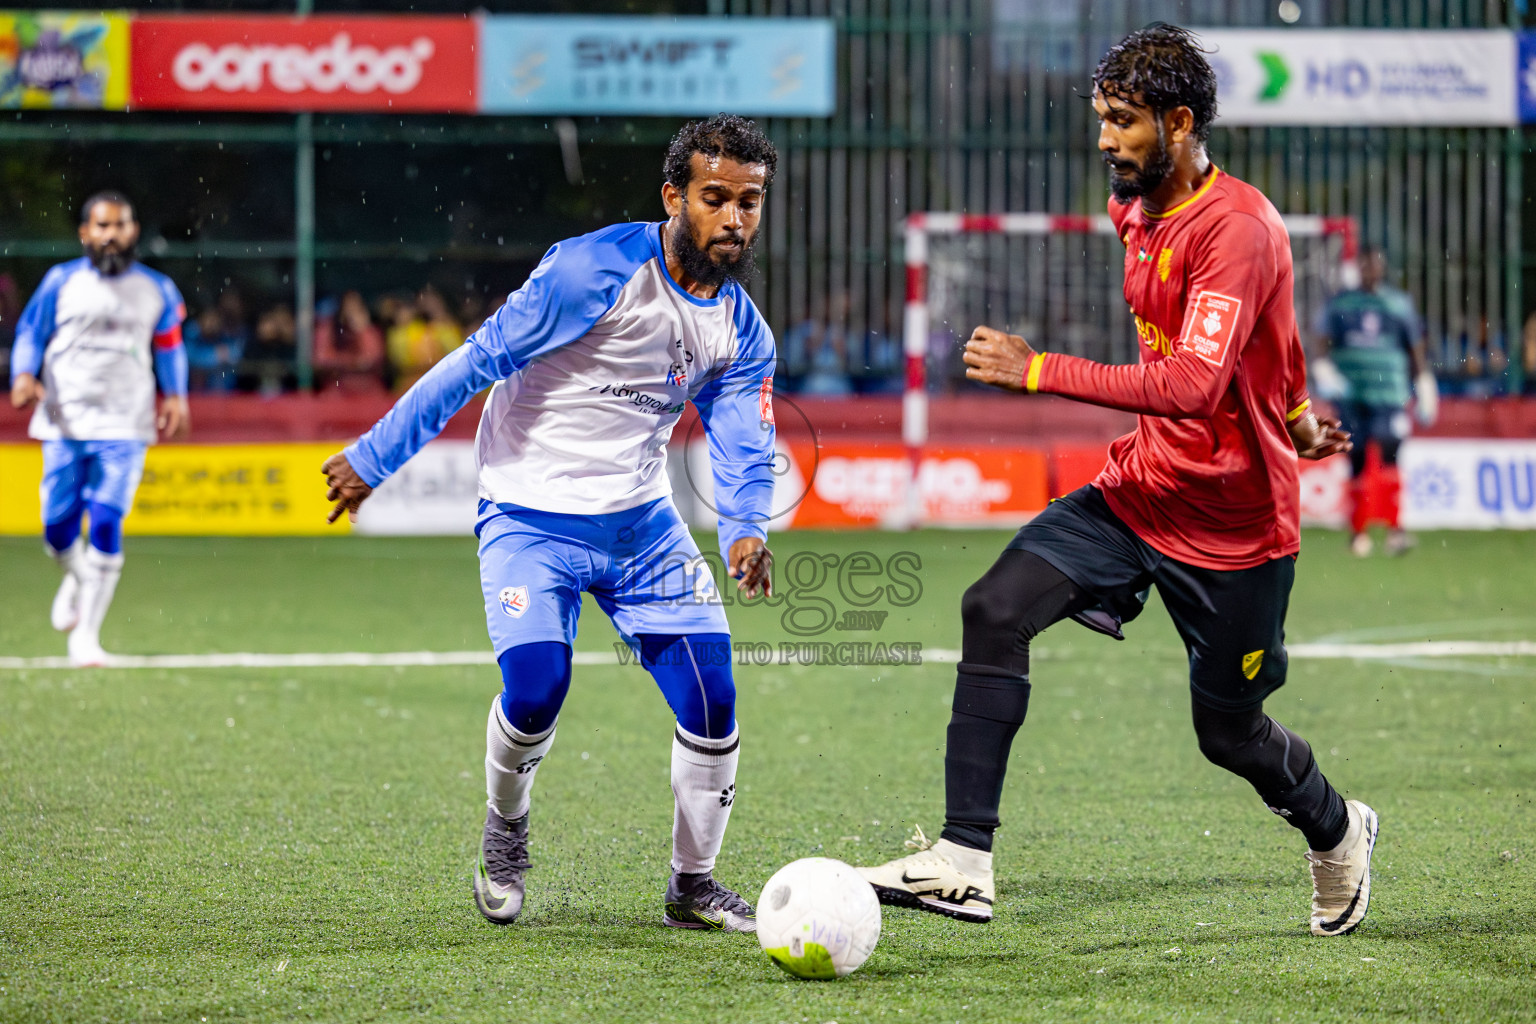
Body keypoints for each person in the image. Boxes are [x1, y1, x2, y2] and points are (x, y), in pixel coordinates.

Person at [858, 25, 1380, 939]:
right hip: (1139, 494)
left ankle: (1338, 831)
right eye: (1101, 118)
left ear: (1179, 123)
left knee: (1229, 734)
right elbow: (1270, 339)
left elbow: (1192, 385)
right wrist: (1294, 410)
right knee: (993, 606)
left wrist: (1036, 369)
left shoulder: (1239, 230)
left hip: (1236, 530)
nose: (1105, 139)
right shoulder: (1130, 209)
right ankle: (963, 861)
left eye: (1125, 121)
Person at [319, 114, 779, 932]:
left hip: (642, 527)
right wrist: (375, 458)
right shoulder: (589, 272)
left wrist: (746, 527)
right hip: (531, 516)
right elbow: (475, 363)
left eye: (749, 202)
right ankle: (505, 831)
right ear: (674, 196)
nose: (735, 219)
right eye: (716, 198)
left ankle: (692, 885)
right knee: (537, 689)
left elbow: (741, 434)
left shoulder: (741, 329)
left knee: (713, 695)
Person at [8, 190, 189, 666]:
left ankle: (85, 637)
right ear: (86, 233)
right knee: (56, 530)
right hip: (64, 421)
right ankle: (77, 574)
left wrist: (175, 395)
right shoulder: (60, 281)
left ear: (134, 231)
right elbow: (30, 331)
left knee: (107, 518)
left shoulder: (159, 290)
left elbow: (169, 346)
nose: (112, 235)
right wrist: (23, 375)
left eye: (121, 225)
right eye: (102, 226)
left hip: (126, 423)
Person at [1314, 247, 1436, 556]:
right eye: (1365, 265)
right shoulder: (1341, 303)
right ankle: (1359, 532)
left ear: (1382, 268)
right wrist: (1323, 369)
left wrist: (1423, 383)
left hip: (1390, 395)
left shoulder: (1397, 304)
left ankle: (1396, 530)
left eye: (1375, 266)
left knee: (1390, 452)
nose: (1370, 271)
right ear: (1358, 267)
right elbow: (1321, 341)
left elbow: (1415, 347)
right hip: (1352, 395)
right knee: (1355, 459)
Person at [313, 290, 386, 395]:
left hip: (368, 389)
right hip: (337, 388)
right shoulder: (329, 331)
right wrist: (350, 362)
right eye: (347, 307)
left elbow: (371, 359)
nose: (350, 312)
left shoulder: (369, 332)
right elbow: (321, 360)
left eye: (355, 308)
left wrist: (362, 330)